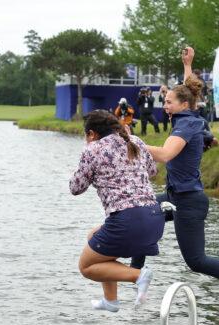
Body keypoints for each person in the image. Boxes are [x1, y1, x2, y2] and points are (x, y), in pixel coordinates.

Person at [132, 47, 219, 299]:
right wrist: (188, 65)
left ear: (183, 105)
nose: (165, 105)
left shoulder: (190, 124)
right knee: (141, 213)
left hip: (189, 201)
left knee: (196, 261)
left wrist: (133, 141)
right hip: (174, 196)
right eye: (166, 101)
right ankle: (136, 276)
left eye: (169, 102)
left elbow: (165, 154)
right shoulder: (185, 112)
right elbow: (187, 90)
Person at [69, 110, 165, 312]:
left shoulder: (93, 149)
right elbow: (153, 171)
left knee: (86, 266)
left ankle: (138, 275)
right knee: (94, 237)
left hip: (127, 221)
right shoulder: (135, 141)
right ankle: (110, 300)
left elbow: (75, 188)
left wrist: (88, 158)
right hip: (154, 217)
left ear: (92, 134)